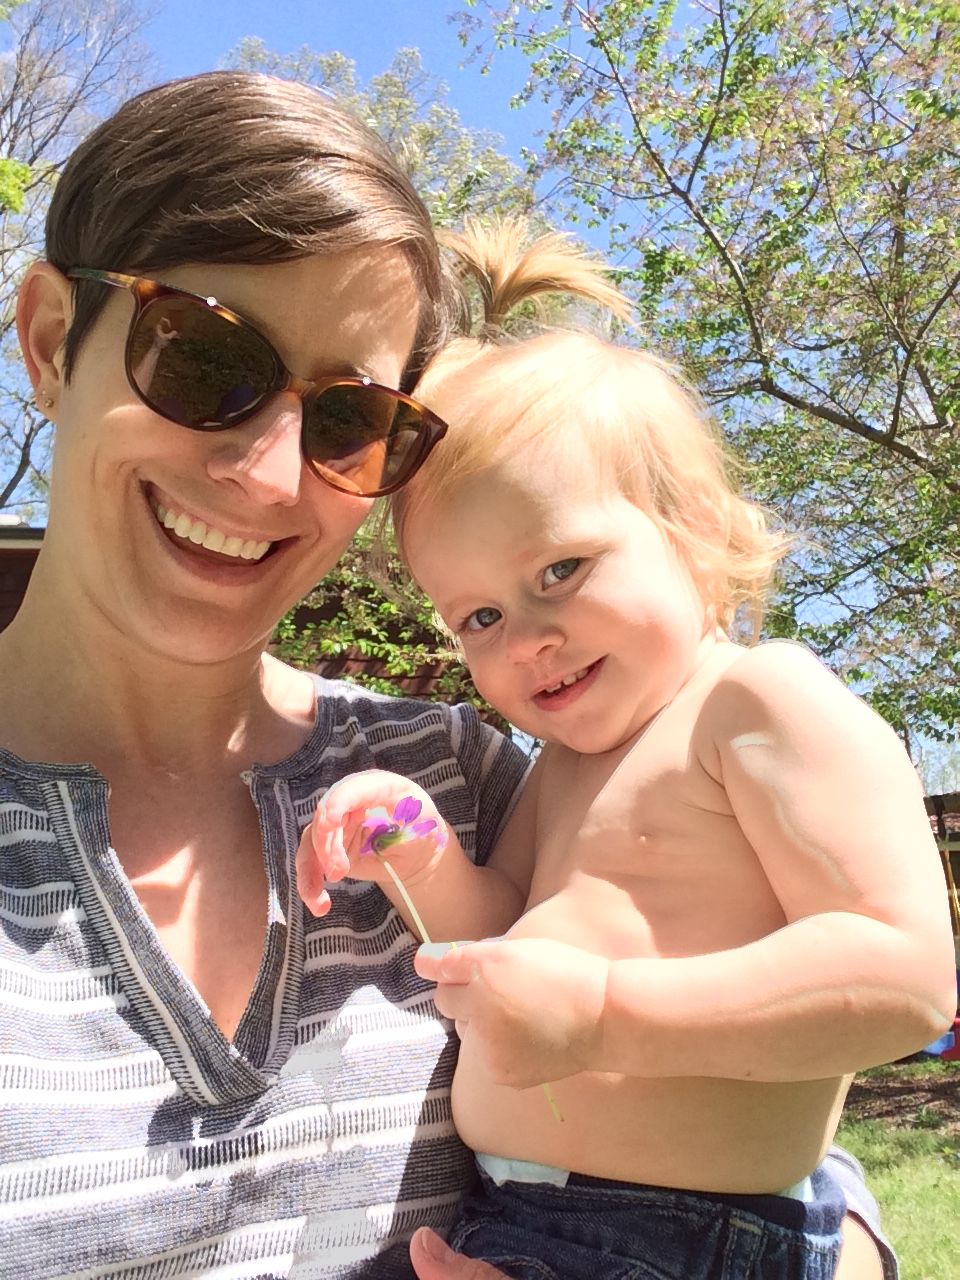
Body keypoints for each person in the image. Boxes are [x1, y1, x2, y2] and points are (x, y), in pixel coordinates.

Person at [299, 224, 957, 1279]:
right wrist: (417, 854)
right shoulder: (561, 764)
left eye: (560, 570)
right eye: (478, 616)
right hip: (515, 1216)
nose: (526, 638)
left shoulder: (756, 701)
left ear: (687, 526)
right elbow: (497, 931)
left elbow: (903, 975)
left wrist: (608, 1016)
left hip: (688, 1235)